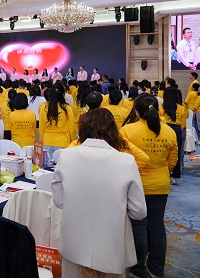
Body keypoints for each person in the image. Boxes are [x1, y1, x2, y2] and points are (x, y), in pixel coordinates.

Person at [52, 108, 147, 277]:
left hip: (74, 243)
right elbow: (139, 212)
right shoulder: (126, 161)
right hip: (112, 245)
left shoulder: (66, 156)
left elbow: (59, 202)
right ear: (113, 132)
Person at [120, 94, 178, 278]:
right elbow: (172, 163)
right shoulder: (169, 132)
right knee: (156, 226)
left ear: (136, 112)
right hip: (160, 185)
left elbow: (121, 160)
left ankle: (138, 266)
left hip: (135, 185)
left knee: (137, 227)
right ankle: (156, 269)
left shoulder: (127, 131)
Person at [159, 87, 186, 184]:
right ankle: (175, 176)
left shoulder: (161, 108)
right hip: (177, 130)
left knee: (163, 153)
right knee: (176, 154)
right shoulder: (181, 108)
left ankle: (165, 174)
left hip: (165, 129)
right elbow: (183, 124)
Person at [39, 85, 75, 151]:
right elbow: (71, 127)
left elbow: (41, 127)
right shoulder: (67, 108)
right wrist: (73, 142)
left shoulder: (43, 108)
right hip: (63, 142)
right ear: (62, 95)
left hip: (47, 141)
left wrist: (41, 141)